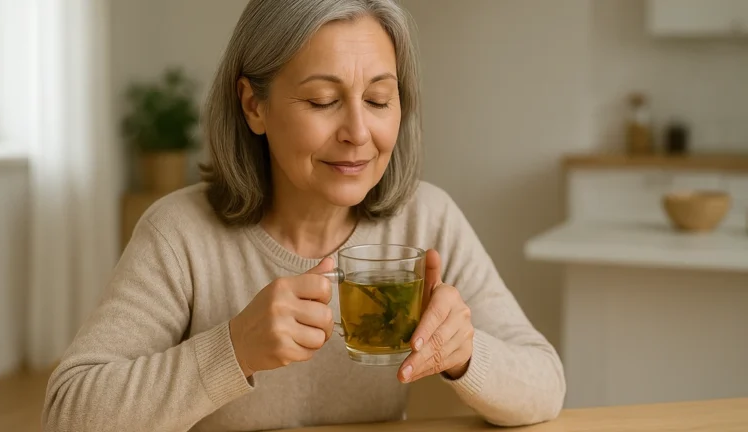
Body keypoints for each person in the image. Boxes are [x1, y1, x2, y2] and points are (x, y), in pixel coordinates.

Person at [41, 0, 565, 431]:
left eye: (379, 99)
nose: (359, 132)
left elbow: (546, 385)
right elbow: (69, 411)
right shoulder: (180, 232)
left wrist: (466, 355)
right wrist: (233, 349)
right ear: (253, 106)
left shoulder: (427, 219)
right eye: (321, 101)